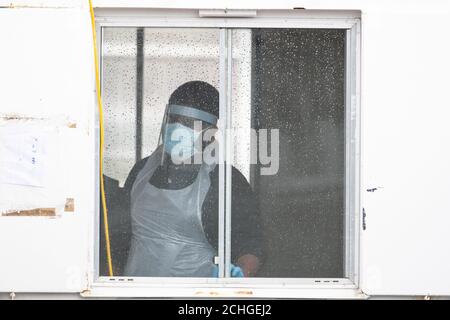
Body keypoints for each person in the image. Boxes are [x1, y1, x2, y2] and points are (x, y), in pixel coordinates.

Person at [121, 81, 263, 277]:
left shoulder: (226, 181)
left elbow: (250, 246)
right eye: (173, 119)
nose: (177, 128)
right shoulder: (141, 170)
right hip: (132, 293)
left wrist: (234, 281)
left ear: (210, 132)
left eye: (189, 123)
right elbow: (119, 236)